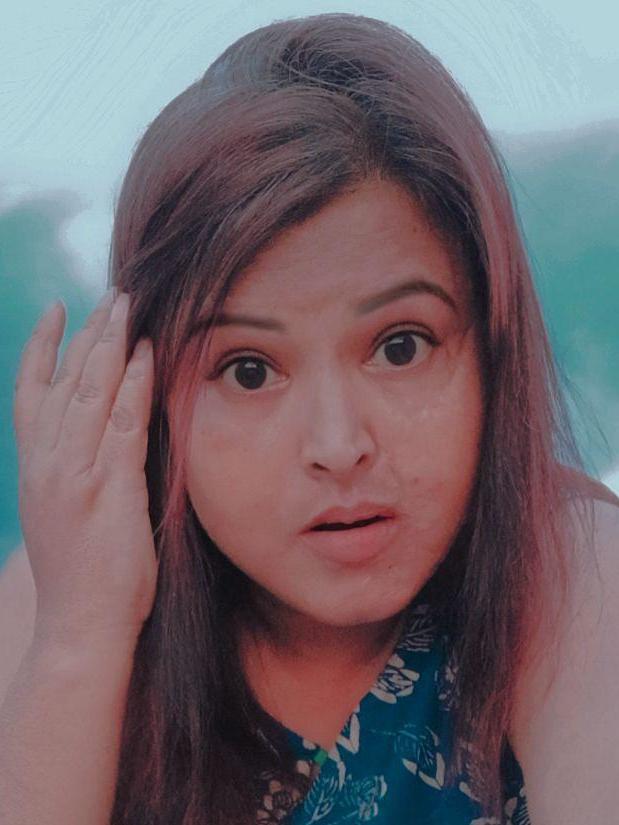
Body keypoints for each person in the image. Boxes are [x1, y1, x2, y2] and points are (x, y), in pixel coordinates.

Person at [1, 11, 618, 825]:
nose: (337, 445)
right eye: (248, 370)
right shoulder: (65, 593)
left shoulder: (574, 569)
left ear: (490, 355)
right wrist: (81, 639)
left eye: (400, 346)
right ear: (149, 395)